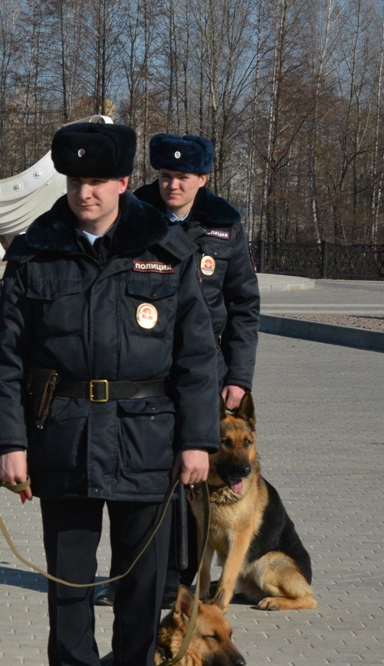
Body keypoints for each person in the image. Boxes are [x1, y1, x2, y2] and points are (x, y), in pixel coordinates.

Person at [0, 122, 219, 666]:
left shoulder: (166, 249)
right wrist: (10, 444)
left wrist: (199, 441)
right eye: (75, 181)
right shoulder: (37, 250)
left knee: (142, 587)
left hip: (149, 439)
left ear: (121, 182)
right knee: (69, 583)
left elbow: (197, 357)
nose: (85, 193)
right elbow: (4, 358)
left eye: (96, 182)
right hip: (63, 436)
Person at [96, 134, 260, 608]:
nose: (172, 185)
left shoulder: (224, 224)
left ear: (202, 180)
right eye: (165, 176)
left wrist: (239, 378)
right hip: (143, 369)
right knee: (135, 476)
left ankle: (188, 582)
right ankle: (129, 576)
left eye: (182, 178)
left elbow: (244, 307)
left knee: (197, 477)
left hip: (203, 376)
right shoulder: (131, 212)